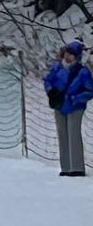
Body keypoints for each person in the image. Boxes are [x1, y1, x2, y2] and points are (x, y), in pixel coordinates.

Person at [44, 41, 93, 176]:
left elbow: (90, 90)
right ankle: (65, 167)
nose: (68, 56)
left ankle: (77, 167)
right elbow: (47, 80)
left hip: (75, 107)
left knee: (73, 135)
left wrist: (75, 99)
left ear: (77, 57)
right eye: (67, 53)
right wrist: (51, 91)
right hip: (59, 105)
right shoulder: (57, 68)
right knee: (62, 136)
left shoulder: (82, 72)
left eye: (71, 54)